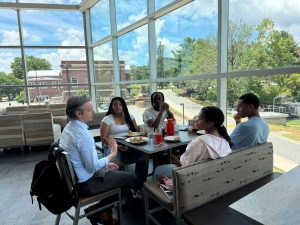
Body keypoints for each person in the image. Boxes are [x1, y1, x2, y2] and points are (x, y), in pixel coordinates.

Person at [59, 96, 136, 224]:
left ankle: (102, 211)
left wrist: (105, 164)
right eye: (90, 110)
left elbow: (83, 162)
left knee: (120, 176)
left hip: (75, 182)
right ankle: (101, 210)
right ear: (79, 114)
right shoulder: (83, 136)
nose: (93, 112)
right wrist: (112, 154)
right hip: (86, 184)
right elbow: (92, 167)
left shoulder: (68, 128)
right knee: (130, 179)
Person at [153, 106, 232, 190]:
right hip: (214, 181)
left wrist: (176, 160)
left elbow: (184, 167)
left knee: (159, 169)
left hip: (193, 185)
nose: (196, 120)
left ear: (210, 124)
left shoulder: (199, 143)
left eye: (200, 118)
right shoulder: (224, 141)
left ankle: (156, 198)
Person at [100, 97, 149, 198]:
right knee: (116, 164)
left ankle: (138, 186)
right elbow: (104, 138)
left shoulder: (129, 117)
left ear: (123, 106)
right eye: (115, 105)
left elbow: (136, 133)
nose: (117, 107)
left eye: (120, 104)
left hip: (129, 145)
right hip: (113, 146)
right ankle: (118, 193)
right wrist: (117, 146)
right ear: (111, 107)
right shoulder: (107, 119)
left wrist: (143, 133)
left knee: (144, 155)